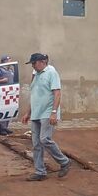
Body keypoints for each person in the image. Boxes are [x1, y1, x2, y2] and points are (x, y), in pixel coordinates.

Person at [20, 53, 71, 181]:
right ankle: (40, 172)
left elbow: (57, 93)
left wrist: (54, 112)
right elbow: (34, 95)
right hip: (36, 113)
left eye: (34, 63)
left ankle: (64, 161)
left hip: (47, 113)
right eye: (31, 63)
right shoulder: (36, 75)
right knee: (36, 143)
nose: (32, 65)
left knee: (44, 139)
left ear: (42, 62)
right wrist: (28, 113)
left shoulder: (51, 73)